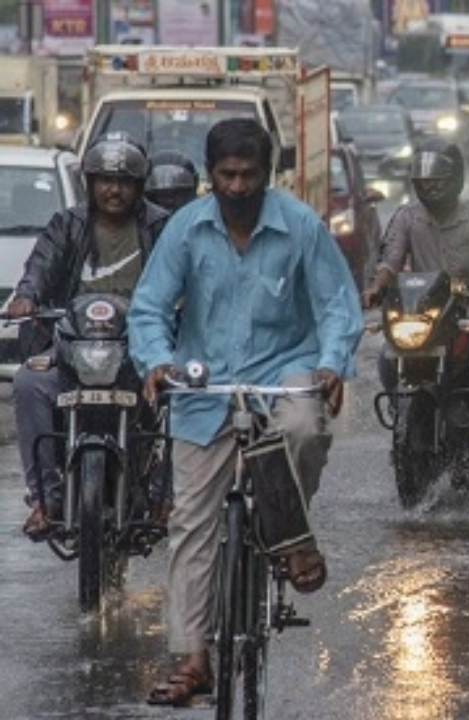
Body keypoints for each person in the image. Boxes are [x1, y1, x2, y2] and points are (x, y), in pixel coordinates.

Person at [129, 117, 362, 706]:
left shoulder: (302, 226)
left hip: (283, 370)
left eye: (248, 174)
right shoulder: (185, 228)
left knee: (306, 423)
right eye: (226, 175)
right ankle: (193, 658)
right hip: (205, 382)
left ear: (268, 175)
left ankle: (289, 532)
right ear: (211, 176)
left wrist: (332, 363)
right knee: (190, 524)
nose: (237, 186)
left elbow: (337, 305)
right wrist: (157, 361)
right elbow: (150, 307)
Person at [3, 132, 170, 540]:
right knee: (28, 384)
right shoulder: (69, 224)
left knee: (184, 395)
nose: (114, 189)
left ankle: (165, 495)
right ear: (90, 183)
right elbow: (40, 267)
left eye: (124, 181)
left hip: (142, 348)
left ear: (139, 186)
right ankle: (47, 497)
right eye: (104, 180)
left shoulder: (162, 226)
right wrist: (26, 296)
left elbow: (180, 277)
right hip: (74, 345)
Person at [360, 139, 469, 465]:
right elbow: (390, 262)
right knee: (388, 356)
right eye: (424, 182)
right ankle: (401, 409)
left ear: (454, 179)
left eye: (437, 181)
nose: (430, 188)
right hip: (422, 309)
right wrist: (375, 288)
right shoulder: (407, 217)